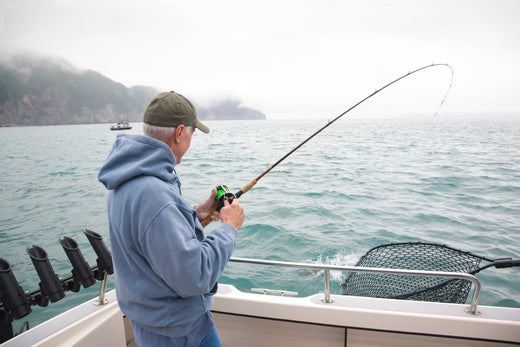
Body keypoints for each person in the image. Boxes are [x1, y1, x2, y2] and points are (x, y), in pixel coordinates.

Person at [98, 91, 245, 346]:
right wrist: (229, 228)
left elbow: (151, 238)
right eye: (191, 133)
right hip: (179, 331)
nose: (190, 141)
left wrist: (197, 213)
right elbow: (195, 275)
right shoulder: (157, 196)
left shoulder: (126, 180)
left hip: (150, 323)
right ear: (179, 133)